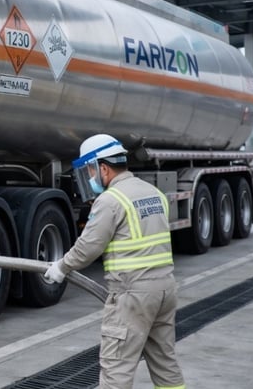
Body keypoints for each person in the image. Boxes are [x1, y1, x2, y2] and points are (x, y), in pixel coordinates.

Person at [43, 134, 185, 389]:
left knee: (115, 370)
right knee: (165, 364)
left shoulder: (111, 200)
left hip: (132, 296)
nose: (89, 177)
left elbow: (89, 247)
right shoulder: (154, 193)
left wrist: (61, 267)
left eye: (89, 171)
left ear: (103, 168)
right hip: (165, 290)